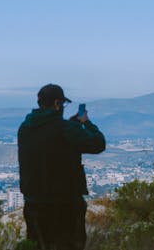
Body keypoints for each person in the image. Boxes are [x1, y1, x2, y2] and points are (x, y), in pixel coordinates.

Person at [18, 84, 106, 250]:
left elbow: (48, 142)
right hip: (64, 205)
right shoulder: (66, 129)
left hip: (33, 203)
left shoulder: (25, 128)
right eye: (63, 105)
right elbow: (98, 144)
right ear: (57, 103)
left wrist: (70, 125)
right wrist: (86, 123)